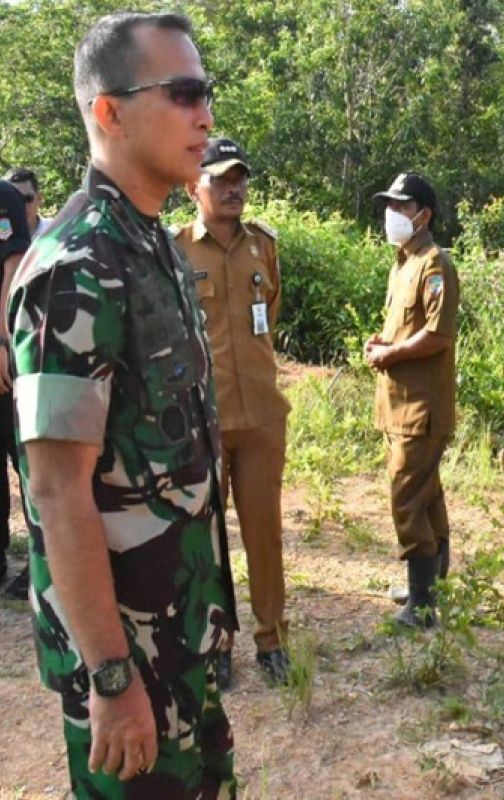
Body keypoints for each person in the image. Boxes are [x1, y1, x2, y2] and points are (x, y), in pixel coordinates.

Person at [8, 12, 237, 796]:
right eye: (183, 93)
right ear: (108, 111)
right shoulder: (73, 267)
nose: (205, 113)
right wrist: (110, 678)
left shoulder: (150, 245)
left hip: (182, 633)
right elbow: (55, 491)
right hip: (128, 659)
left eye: (205, 91)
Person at [175, 137, 291, 688]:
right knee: (208, 534)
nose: (233, 189)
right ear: (194, 186)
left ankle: (272, 641)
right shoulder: (175, 249)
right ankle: (216, 642)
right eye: (220, 179)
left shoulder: (262, 246)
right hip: (204, 418)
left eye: (239, 179)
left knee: (264, 532)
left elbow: (269, 311)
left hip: (262, 417)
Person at [365, 172, 459, 629]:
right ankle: (429, 589)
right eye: (390, 206)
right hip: (399, 406)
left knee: (406, 498)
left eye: (401, 207)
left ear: (423, 215)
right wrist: (384, 342)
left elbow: (438, 335)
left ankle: (421, 606)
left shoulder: (435, 263)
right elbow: (410, 327)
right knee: (426, 497)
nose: (392, 215)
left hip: (421, 410)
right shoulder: (403, 262)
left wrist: (391, 353)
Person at [0, 179, 29, 594]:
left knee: (28, 459)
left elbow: (11, 267)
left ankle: (48, 564)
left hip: (6, 356)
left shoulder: (4, 198)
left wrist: (3, 340)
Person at [6, 168, 51, 239]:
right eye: (14, 200)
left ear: (39, 199)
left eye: (27, 199)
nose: (21, 205)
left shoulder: (57, 230)